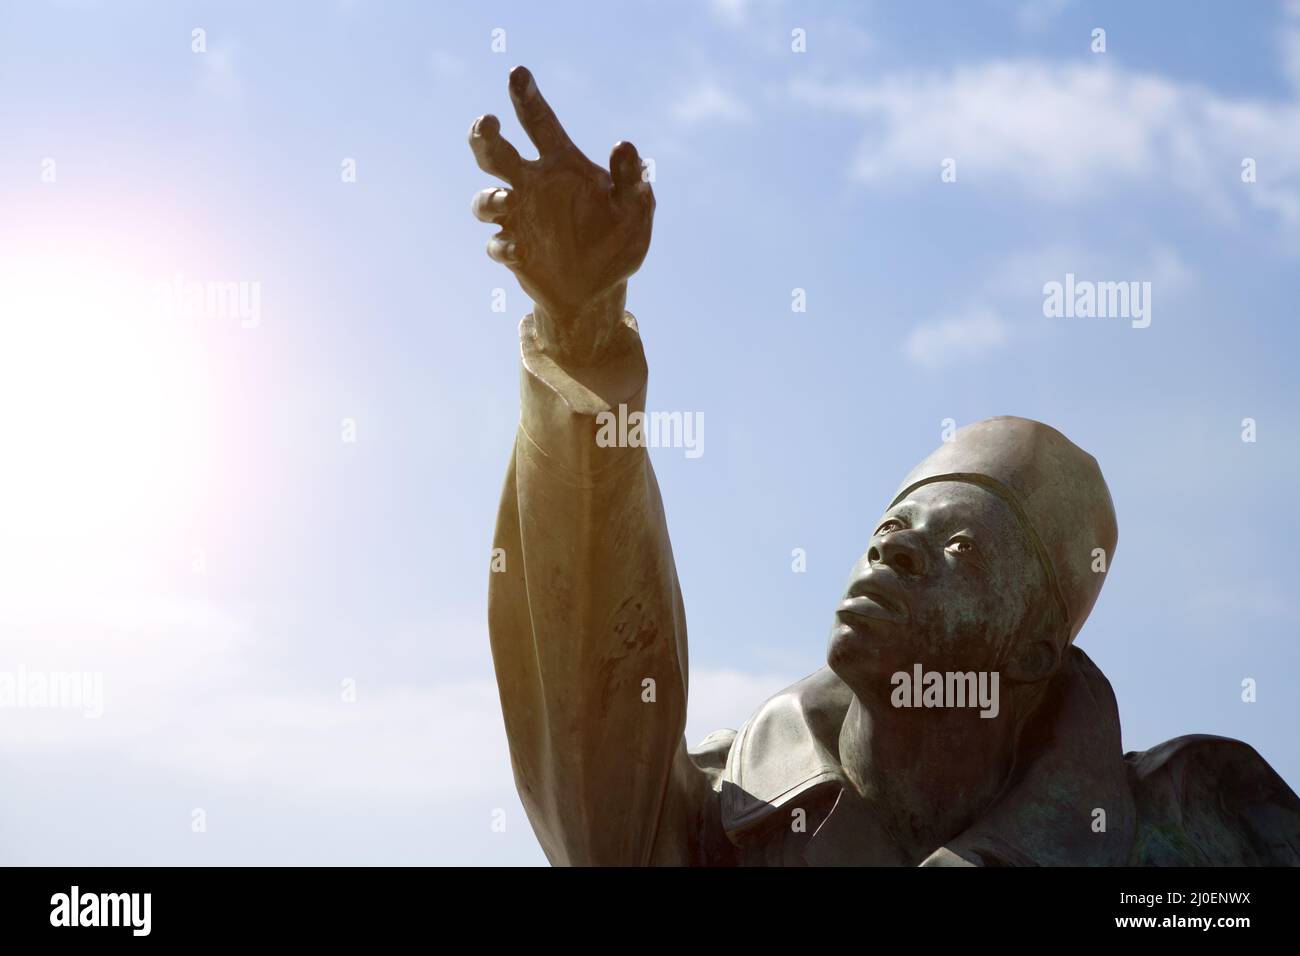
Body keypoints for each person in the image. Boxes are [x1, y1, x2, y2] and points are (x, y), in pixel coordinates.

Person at [471, 66, 1300, 867]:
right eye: (891, 528)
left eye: (963, 550)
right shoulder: (722, 826)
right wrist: (583, 330)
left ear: (1033, 653)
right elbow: (595, 724)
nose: (893, 551)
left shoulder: (1199, 835)